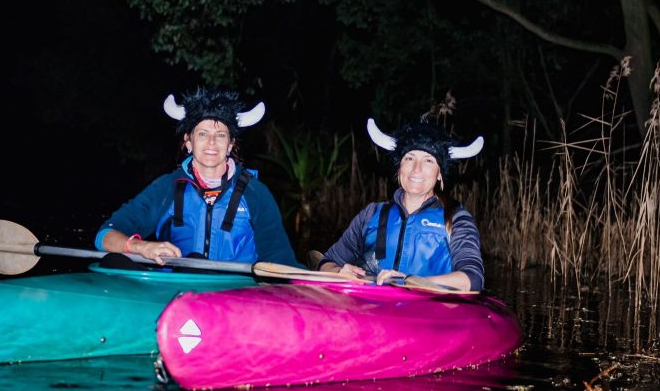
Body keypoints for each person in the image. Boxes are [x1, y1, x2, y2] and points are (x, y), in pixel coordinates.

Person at [95, 88, 301, 267]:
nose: (211, 142)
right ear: (189, 142)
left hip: (236, 295)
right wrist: (141, 246)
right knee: (114, 261)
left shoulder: (256, 193)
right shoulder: (167, 187)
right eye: (202, 134)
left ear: (230, 145)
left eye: (220, 135)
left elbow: (281, 260)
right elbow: (104, 236)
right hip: (177, 290)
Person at [316, 118, 485, 291]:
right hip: (371, 308)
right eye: (409, 158)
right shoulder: (371, 213)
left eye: (428, 161)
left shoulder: (456, 218)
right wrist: (338, 271)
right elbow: (326, 262)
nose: (416, 169)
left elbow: (472, 279)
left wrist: (409, 281)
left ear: (439, 174)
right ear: (399, 169)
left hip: (430, 312)